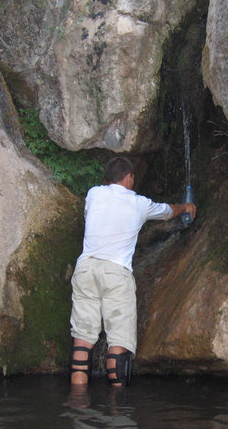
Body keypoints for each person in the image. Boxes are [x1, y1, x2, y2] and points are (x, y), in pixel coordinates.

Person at [69, 156, 196, 387]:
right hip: (116, 271)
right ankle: (118, 411)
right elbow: (168, 211)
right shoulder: (139, 203)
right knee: (119, 340)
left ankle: (77, 400)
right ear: (129, 177)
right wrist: (185, 207)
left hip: (86, 268)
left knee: (82, 337)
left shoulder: (94, 194)